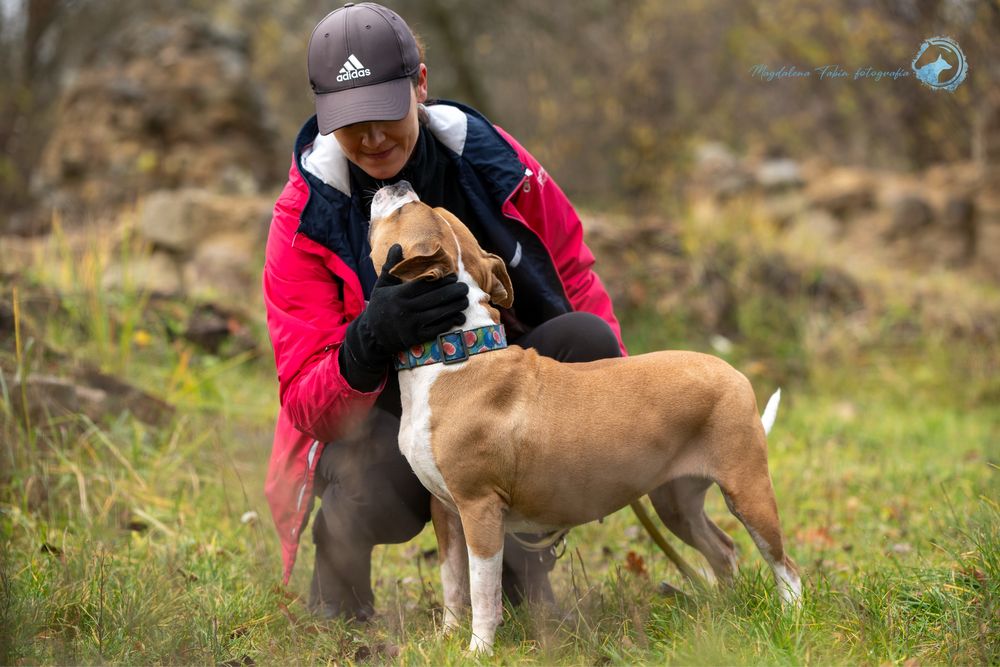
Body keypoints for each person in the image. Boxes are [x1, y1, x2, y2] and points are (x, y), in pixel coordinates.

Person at [263, 1, 627, 620]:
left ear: (420, 85)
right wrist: (369, 339)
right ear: (325, 115)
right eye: (352, 122)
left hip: (502, 387)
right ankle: (339, 573)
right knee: (377, 482)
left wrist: (628, 396)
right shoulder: (305, 218)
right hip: (377, 413)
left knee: (589, 345)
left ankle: (519, 567)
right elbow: (302, 394)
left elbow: (572, 273)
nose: (373, 138)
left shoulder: (495, 163)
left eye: (385, 112)